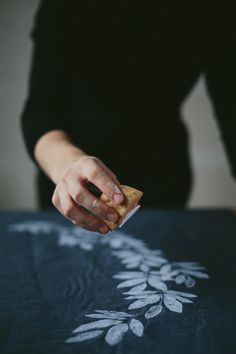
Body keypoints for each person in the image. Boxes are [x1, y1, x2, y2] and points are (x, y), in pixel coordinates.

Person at [21, 0, 235, 234]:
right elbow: (41, 111)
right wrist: (68, 164)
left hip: (162, 174)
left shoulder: (214, 7)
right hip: (73, 183)